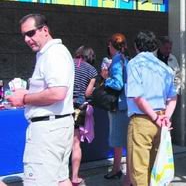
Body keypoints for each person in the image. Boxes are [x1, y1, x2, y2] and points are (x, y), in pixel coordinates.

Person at [7, 14, 74, 186]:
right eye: (24, 35)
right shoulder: (49, 53)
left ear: (45, 30)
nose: (27, 39)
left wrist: (24, 98)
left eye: (30, 33)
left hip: (47, 131)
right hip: (56, 127)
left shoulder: (53, 54)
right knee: (61, 179)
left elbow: (57, 93)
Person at [125, 31, 177, 186]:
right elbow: (173, 97)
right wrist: (165, 117)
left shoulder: (134, 63)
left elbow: (137, 97)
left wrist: (155, 117)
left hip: (142, 120)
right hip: (161, 120)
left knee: (139, 169)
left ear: (136, 47)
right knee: (157, 167)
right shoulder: (165, 68)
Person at [102, 33, 130, 184]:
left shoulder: (117, 59)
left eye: (109, 44)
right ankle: (117, 169)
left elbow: (117, 84)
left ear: (111, 45)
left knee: (118, 139)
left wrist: (106, 78)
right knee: (121, 140)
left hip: (118, 105)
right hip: (125, 104)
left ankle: (119, 171)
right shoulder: (125, 58)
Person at [71, 46, 98, 185]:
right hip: (79, 107)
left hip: (63, 106)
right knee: (75, 143)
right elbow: (88, 93)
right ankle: (74, 178)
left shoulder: (68, 63)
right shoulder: (92, 70)